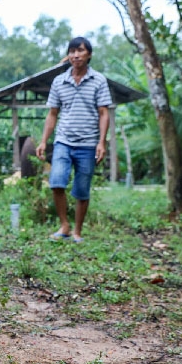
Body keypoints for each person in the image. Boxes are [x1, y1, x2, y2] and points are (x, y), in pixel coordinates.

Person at [36, 37, 112, 244]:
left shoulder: (98, 80)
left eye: (80, 51)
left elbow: (104, 113)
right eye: (72, 51)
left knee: (81, 188)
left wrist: (101, 142)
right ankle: (64, 226)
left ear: (89, 55)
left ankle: (77, 232)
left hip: (88, 144)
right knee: (56, 182)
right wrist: (44, 141)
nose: (75, 55)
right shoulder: (59, 81)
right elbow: (52, 114)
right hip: (63, 141)